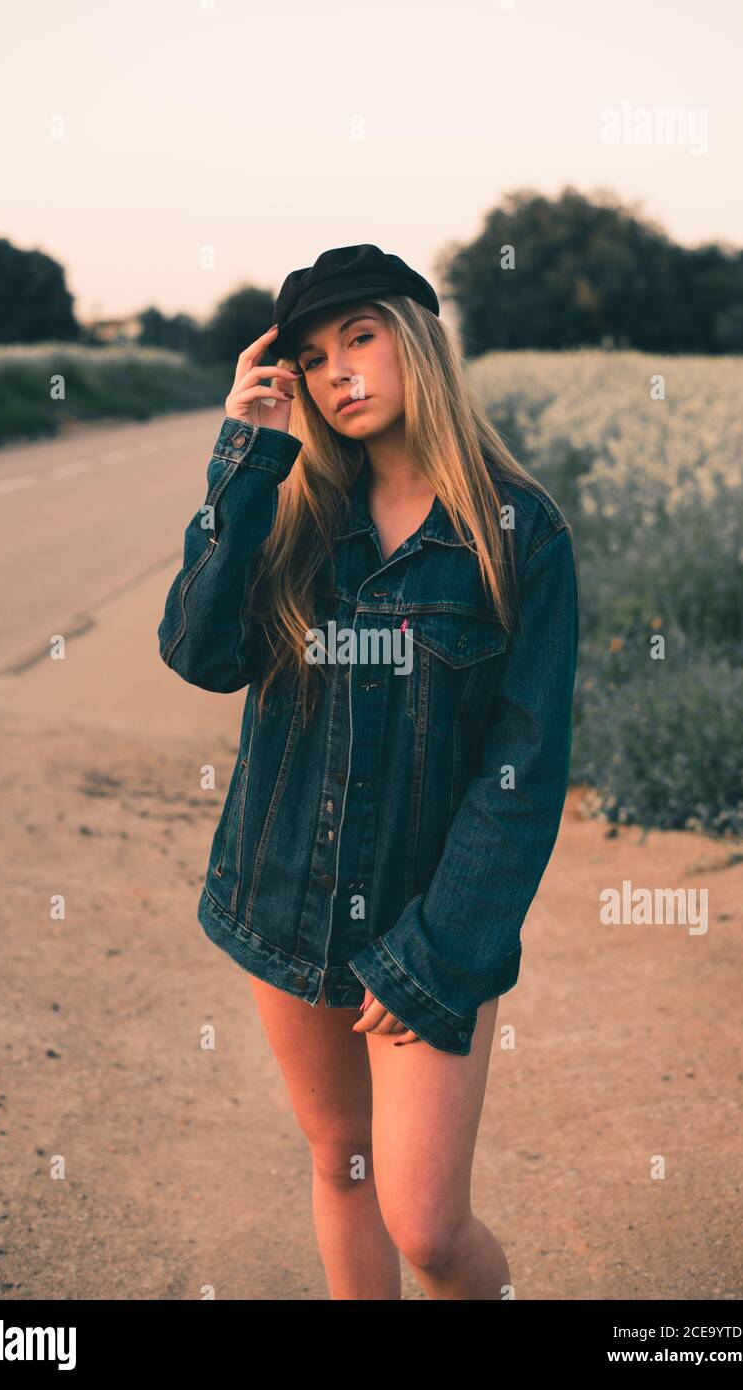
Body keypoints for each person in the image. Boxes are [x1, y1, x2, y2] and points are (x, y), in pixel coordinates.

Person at [157, 244, 580, 1300]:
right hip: (283, 904)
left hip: (431, 925)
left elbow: (522, 772)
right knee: (340, 1166)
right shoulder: (293, 514)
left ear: (417, 341)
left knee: (430, 1228)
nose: (340, 372)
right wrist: (246, 455)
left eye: (361, 338)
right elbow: (201, 653)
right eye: (312, 356)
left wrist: (438, 953)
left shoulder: (518, 532)